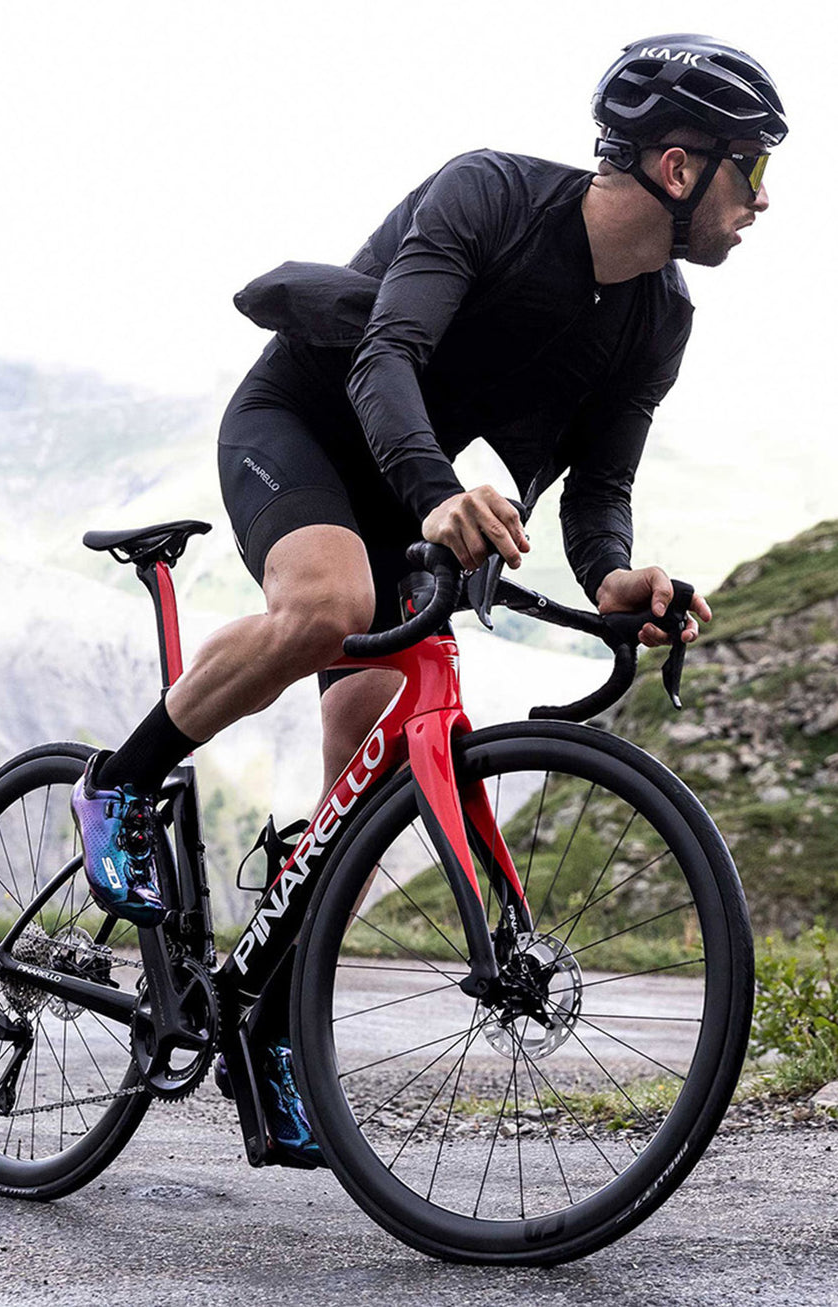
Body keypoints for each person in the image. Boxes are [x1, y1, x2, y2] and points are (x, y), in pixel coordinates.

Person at [71, 33, 787, 1160]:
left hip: (419, 491)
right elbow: (384, 354)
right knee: (324, 603)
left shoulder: (659, 317)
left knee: (360, 776)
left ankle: (268, 1010)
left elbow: (596, 488)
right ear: (679, 164)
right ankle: (119, 781)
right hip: (307, 424)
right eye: (753, 172)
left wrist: (616, 579)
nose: (761, 203)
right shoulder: (490, 193)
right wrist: (435, 493)